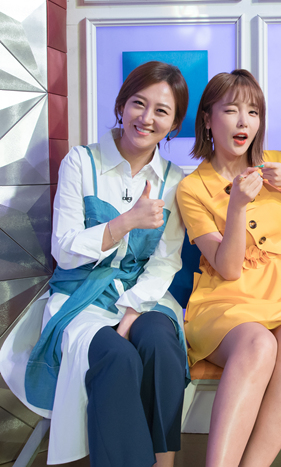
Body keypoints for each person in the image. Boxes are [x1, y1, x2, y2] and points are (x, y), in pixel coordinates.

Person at [0, 61, 189, 466]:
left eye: (161, 111)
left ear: (174, 125)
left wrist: (132, 309)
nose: (147, 118)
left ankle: (164, 462)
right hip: (79, 296)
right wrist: (126, 222)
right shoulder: (80, 163)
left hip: (142, 296)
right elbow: (65, 249)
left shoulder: (174, 180)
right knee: (117, 358)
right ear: (121, 105)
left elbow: (165, 262)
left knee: (161, 344)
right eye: (139, 103)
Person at [176, 69, 281, 467]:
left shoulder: (278, 163)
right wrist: (236, 207)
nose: (243, 122)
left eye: (253, 112)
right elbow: (229, 269)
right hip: (228, 298)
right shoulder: (192, 188)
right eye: (231, 110)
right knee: (258, 345)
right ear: (207, 118)